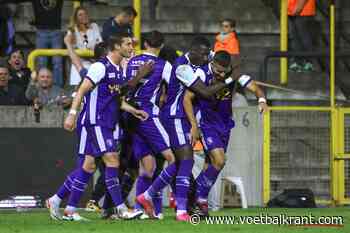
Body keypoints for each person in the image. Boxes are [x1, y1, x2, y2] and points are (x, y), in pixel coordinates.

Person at [46, 33, 149, 221]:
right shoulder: (100, 67)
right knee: (112, 161)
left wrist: (133, 111)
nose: (131, 47)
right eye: (127, 44)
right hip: (96, 122)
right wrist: (71, 115)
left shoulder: (118, 70)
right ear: (116, 46)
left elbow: (114, 99)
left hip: (107, 122)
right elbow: (81, 90)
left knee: (88, 166)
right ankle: (120, 208)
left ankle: (62, 203)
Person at [136, 36, 238, 221]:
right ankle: (181, 210)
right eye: (205, 55)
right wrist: (230, 79)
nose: (208, 58)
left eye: (209, 54)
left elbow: (226, 58)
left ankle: (148, 196)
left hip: (183, 118)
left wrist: (231, 67)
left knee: (178, 163)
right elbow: (204, 92)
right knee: (187, 161)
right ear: (194, 52)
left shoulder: (202, 56)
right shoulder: (182, 67)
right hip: (175, 117)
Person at [183, 52, 268, 216]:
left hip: (225, 125)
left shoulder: (234, 74)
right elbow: (187, 98)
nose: (221, 74)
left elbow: (255, 88)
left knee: (211, 165)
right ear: (212, 63)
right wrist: (194, 125)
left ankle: (194, 198)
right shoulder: (202, 73)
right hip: (207, 124)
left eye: (224, 71)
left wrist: (262, 101)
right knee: (220, 161)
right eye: (219, 71)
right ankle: (199, 198)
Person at [125, 30, 174, 220]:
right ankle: (147, 196)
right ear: (161, 46)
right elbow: (176, 87)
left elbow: (124, 85)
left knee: (148, 167)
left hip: (131, 117)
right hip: (149, 115)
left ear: (144, 44)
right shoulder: (163, 65)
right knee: (174, 159)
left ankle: (141, 208)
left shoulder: (130, 61)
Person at [67, 6, 103, 86]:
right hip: (79, 64)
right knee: (76, 91)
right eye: (80, 15)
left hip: (93, 64)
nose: (84, 16)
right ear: (76, 18)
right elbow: (68, 43)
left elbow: (100, 43)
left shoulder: (94, 26)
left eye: (85, 14)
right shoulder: (72, 29)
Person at [288, 0, 316, 72]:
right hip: (295, 11)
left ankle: (307, 63)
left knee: (303, 38)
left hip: (301, 12)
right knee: (296, 38)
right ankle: (299, 63)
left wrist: (298, 8)